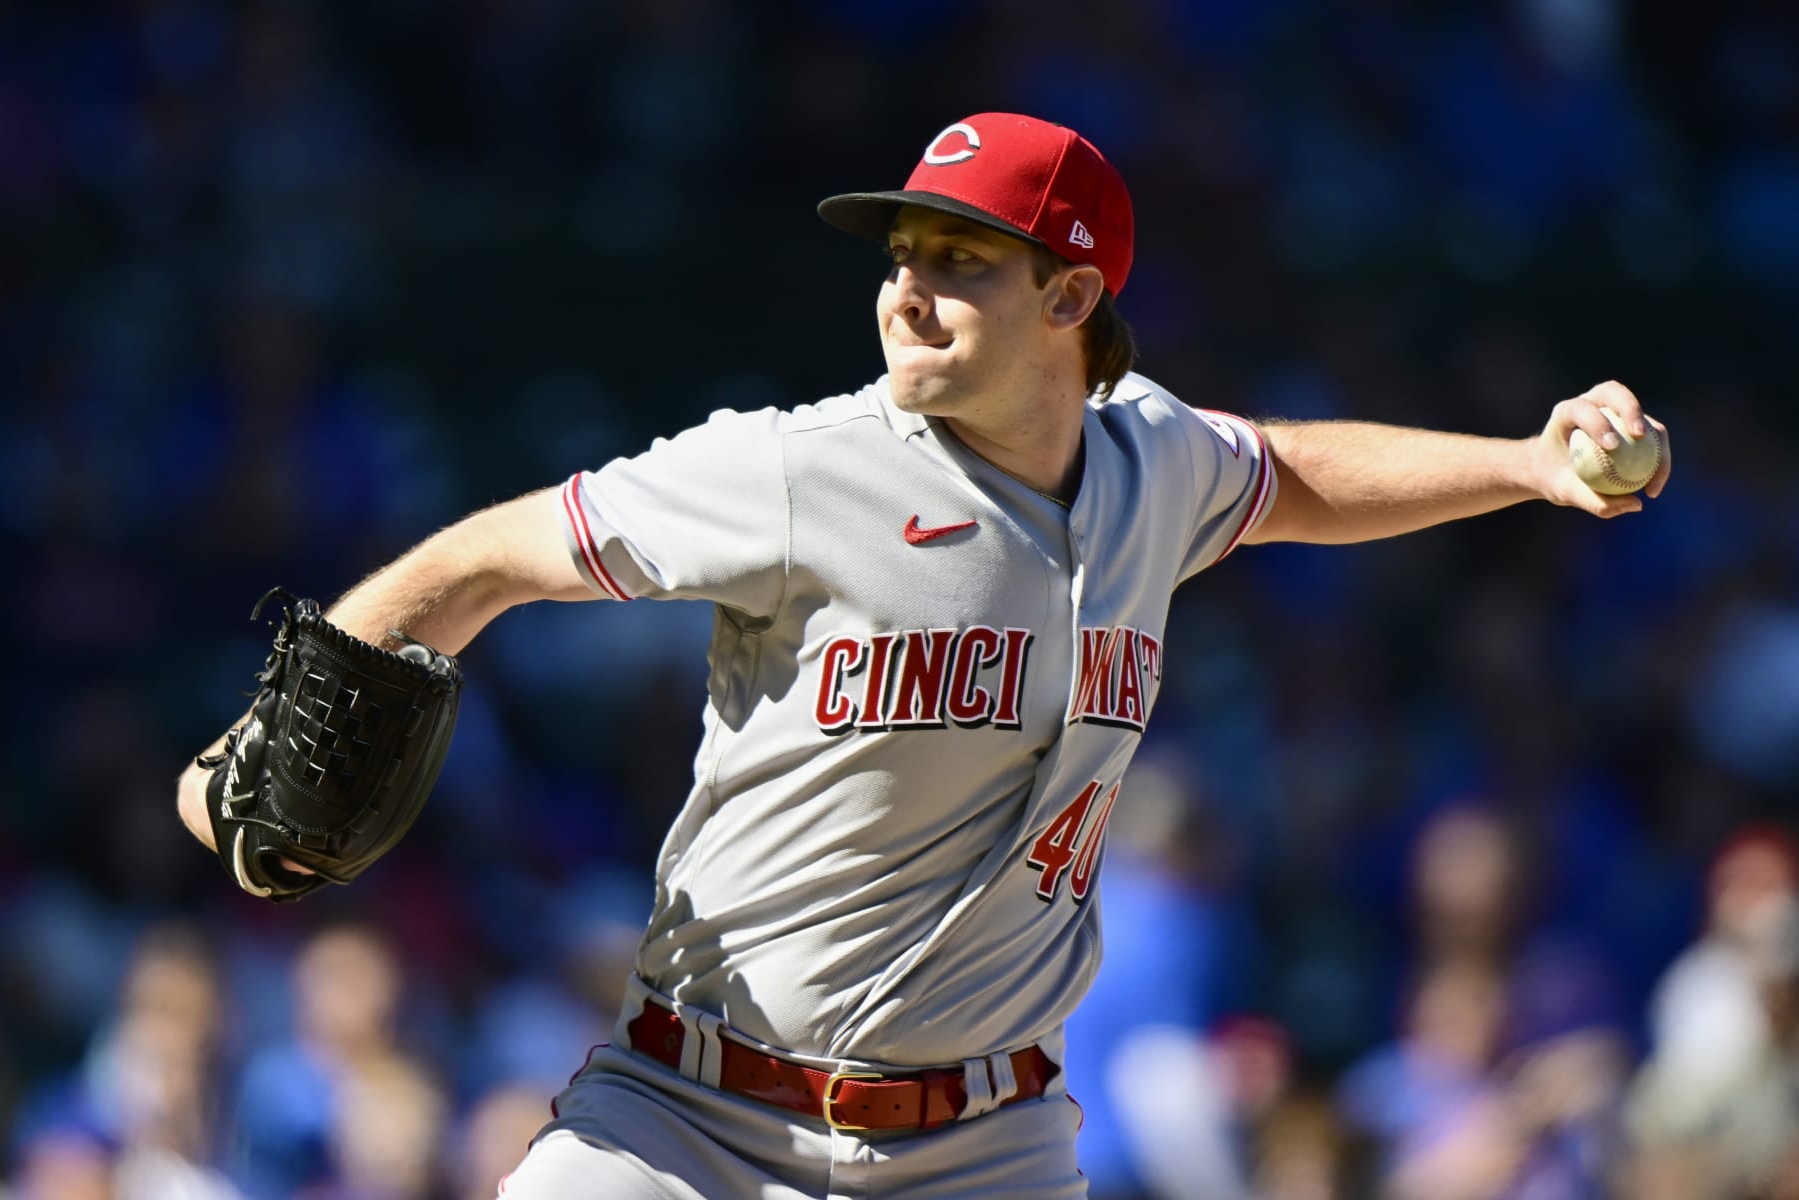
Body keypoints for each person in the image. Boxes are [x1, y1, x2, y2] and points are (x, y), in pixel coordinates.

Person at [175, 112, 1671, 1198]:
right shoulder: (795, 469)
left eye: (963, 261)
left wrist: (1526, 465)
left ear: (1073, 302)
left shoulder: (1157, 464)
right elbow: (481, 557)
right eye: (903, 253)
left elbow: (1287, 474)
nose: (907, 287)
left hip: (984, 1144)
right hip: (691, 1120)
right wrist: (277, 734)